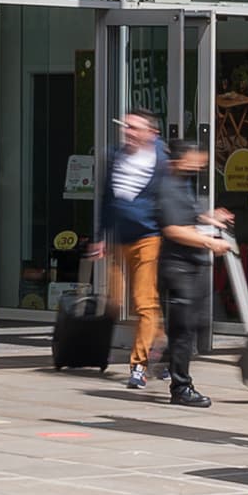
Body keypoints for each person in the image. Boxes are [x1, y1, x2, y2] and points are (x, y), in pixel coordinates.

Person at [148, 136, 235, 410]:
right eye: (195, 161)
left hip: (193, 266)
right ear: (179, 160)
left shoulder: (182, 182)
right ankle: (181, 387)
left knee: (197, 324)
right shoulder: (167, 186)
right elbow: (174, 229)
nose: (200, 166)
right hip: (179, 269)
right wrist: (210, 243)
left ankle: (168, 357)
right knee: (184, 330)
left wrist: (210, 217)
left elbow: (187, 216)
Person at [94, 111, 167, 389]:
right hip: (118, 239)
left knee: (143, 301)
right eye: (126, 126)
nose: (129, 131)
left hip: (148, 238)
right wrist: (100, 236)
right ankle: (163, 347)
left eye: (135, 127)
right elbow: (107, 198)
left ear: (151, 133)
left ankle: (139, 366)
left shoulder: (161, 160)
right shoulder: (115, 156)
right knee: (114, 300)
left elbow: (171, 195)